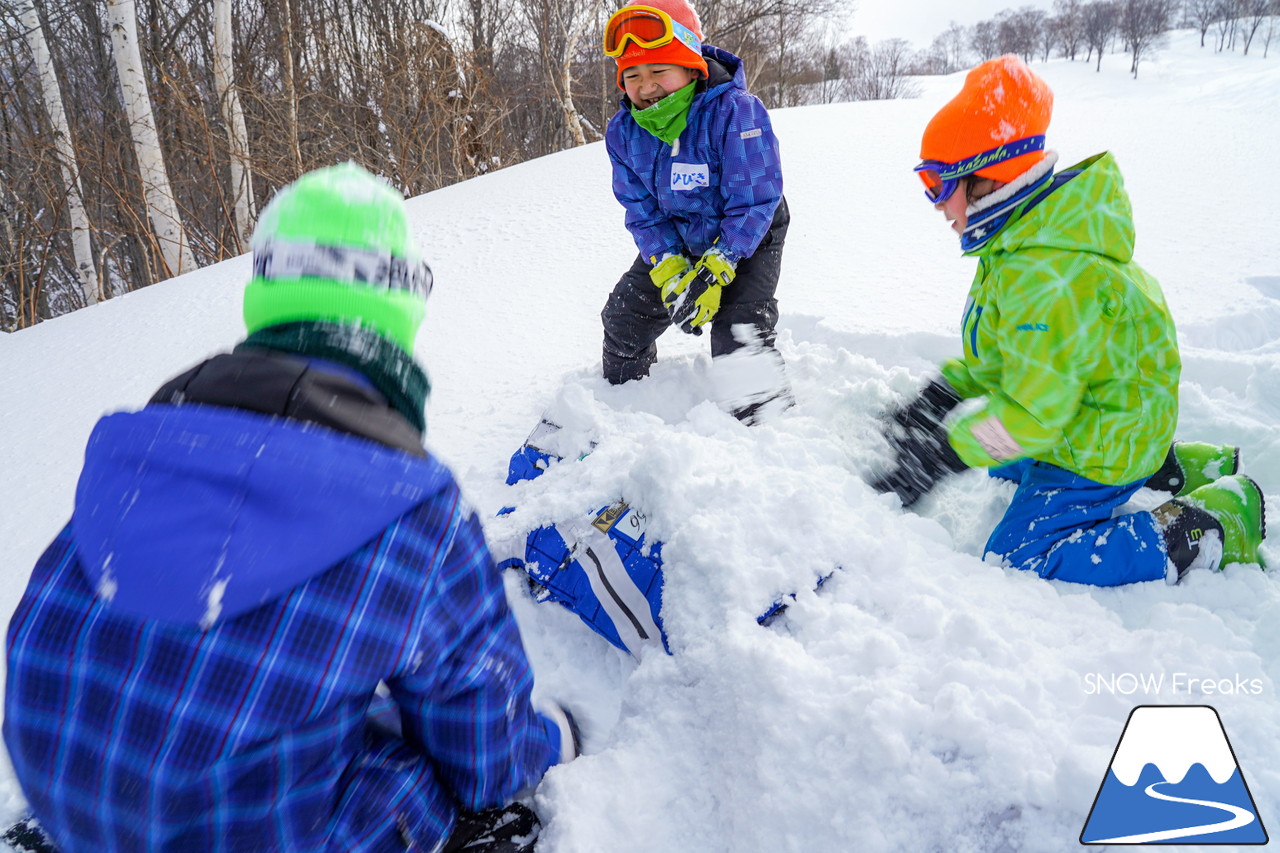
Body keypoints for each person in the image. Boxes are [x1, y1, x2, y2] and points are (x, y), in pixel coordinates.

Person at [3, 163, 577, 853]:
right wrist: (540, 743)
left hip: (63, 794)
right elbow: (483, 742)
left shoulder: (137, 449)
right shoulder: (408, 505)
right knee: (421, 769)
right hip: (246, 836)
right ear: (400, 310)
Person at [871, 56, 1267, 586]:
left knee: (1019, 558)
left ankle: (1207, 524)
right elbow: (1011, 355)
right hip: (1107, 411)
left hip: (1103, 440)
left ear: (988, 176)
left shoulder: (1047, 276)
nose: (937, 205)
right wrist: (945, 392)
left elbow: (1034, 416)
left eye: (939, 183)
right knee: (1003, 455)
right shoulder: (1024, 243)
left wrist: (944, 456)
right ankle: (1180, 467)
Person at [600, 0, 791, 423]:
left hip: (749, 234)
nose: (645, 86)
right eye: (632, 75)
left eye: (657, 71)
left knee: (739, 336)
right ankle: (625, 406)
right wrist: (669, 267)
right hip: (680, 232)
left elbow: (755, 200)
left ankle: (768, 432)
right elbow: (642, 209)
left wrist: (713, 271)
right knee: (622, 319)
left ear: (692, 67)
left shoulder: (737, 113)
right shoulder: (623, 132)